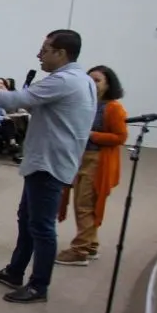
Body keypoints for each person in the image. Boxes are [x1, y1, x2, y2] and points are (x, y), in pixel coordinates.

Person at [0, 29, 97, 304]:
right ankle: (16, 271)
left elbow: (14, 100)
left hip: (49, 162)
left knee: (41, 226)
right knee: (27, 219)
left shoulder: (64, 80)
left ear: (62, 53)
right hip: (49, 159)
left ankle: (39, 285)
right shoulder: (82, 79)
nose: (39, 55)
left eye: (45, 49)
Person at [55, 66, 127, 267]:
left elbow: (121, 137)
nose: (91, 83)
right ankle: (91, 244)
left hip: (97, 160)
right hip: (80, 157)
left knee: (85, 206)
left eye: (97, 80)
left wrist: (90, 135)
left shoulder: (113, 108)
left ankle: (80, 250)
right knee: (83, 204)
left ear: (108, 85)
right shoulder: (85, 103)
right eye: (89, 79)